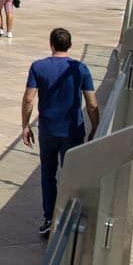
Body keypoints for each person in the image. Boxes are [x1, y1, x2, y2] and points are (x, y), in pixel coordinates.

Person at [21, 27, 98, 238]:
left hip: (48, 129)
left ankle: (49, 218)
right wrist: (95, 129)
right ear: (70, 45)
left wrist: (25, 125)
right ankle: (70, 218)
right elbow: (91, 104)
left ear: (51, 44)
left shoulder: (38, 67)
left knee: (48, 174)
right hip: (73, 130)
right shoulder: (80, 69)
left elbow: (29, 99)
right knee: (72, 174)